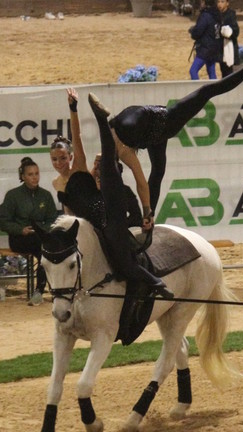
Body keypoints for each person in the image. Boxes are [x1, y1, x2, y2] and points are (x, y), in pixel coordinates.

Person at [104, 38, 243, 221]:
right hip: (163, 123)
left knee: (158, 172)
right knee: (206, 91)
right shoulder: (121, 146)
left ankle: (150, 220)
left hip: (156, 127)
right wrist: (146, 211)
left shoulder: (112, 138)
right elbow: (141, 184)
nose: (100, 157)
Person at [57, 93, 174, 300]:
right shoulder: (61, 183)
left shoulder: (80, 168)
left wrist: (73, 109)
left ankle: (156, 283)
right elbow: (69, 214)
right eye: (55, 160)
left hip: (109, 219)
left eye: (63, 158)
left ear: (71, 157)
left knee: (124, 263)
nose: (59, 163)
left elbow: (77, 136)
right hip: (94, 228)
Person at [0, 157, 58, 306]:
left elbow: (52, 219)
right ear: (23, 177)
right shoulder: (13, 195)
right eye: (30, 174)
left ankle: (41, 291)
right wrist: (20, 229)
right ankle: (41, 291)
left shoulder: (46, 195)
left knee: (47, 249)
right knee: (43, 248)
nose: (34, 177)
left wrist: (43, 229)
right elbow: (3, 220)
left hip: (39, 237)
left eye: (36, 173)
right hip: (19, 238)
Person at [90, 153, 143, 228]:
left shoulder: (124, 191)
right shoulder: (90, 190)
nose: (96, 170)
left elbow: (136, 218)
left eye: (100, 167)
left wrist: (119, 225)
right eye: (95, 166)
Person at [188, 0, 222, 80]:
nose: (201, 4)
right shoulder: (216, 14)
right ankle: (215, 91)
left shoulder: (205, 15)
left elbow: (198, 32)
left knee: (193, 71)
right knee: (211, 72)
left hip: (205, 49)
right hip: (214, 48)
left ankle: (198, 91)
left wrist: (192, 31)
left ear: (205, 3)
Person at [218, 0, 240, 78]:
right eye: (219, 2)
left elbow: (236, 32)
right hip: (221, 49)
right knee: (223, 72)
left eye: (222, 2)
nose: (220, 4)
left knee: (229, 74)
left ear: (227, 3)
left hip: (229, 47)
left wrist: (226, 32)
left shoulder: (231, 15)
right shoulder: (217, 15)